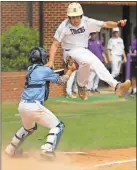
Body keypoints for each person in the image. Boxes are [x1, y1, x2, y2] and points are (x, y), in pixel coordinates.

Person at [46, 2, 131, 100]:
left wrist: (117, 24)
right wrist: (51, 61)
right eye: (72, 17)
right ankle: (81, 87)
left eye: (77, 17)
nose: (75, 20)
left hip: (83, 50)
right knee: (87, 61)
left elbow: (105, 23)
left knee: (96, 63)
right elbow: (55, 44)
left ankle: (116, 86)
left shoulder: (87, 22)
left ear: (81, 15)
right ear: (68, 17)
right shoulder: (64, 25)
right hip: (69, 52)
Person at [5, 47, 76, 159]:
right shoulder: (44, 70)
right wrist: (70, 71)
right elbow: (61, 81)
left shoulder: (31, 70)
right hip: (34, 106)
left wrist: (61, 69)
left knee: (29, 128)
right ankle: (47, 150)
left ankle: (10, 149)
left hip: (22, 105)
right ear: (42, 58)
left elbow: (47, 73)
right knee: (58, 126)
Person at [130, 26, 137, 96]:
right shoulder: (134, 41)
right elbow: (134, 51)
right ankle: (134, 91)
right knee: (134, 76)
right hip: (135, 61)